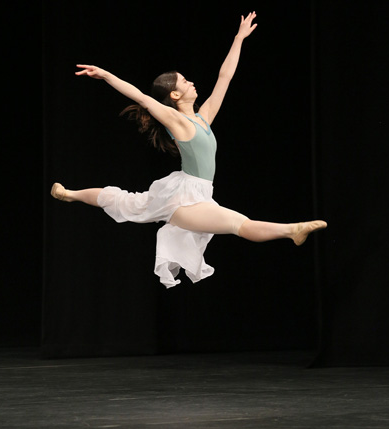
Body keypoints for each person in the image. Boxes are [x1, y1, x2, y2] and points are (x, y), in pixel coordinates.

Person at [51, 12, 327, 288]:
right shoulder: (177, 121)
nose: (191, 82)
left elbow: (225, 77)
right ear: (174, 95)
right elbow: (143, 98)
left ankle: (68, 194)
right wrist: (105, 75)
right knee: (238, 224)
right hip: (183, 199)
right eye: (184, 82)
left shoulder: (203, 117)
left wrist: (239, 38)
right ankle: (292, 230)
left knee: (126, 201)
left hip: (198, 192)